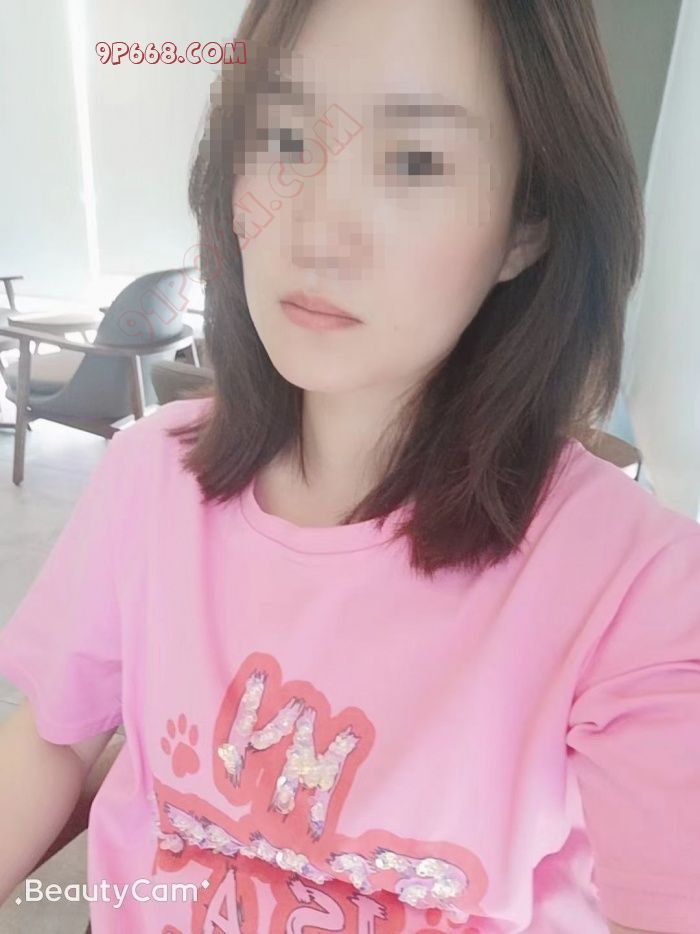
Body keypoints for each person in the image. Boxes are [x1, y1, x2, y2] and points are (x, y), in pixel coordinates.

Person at [1, 1, 698, 931]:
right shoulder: (149, 476)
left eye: (415, 162)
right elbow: (54, 740)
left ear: (526, 224)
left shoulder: (635, 586)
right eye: (286, 138)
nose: (316, 231)